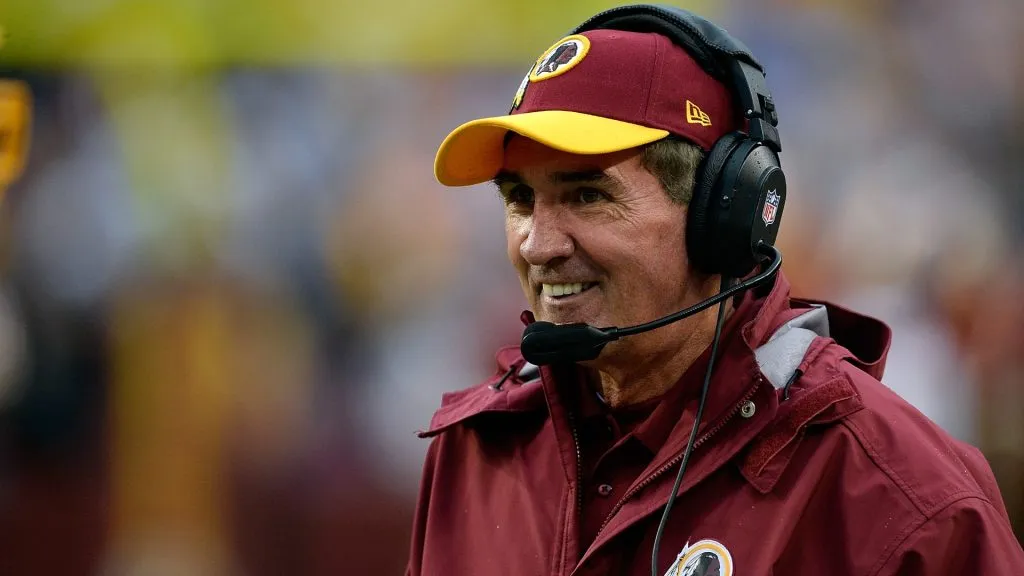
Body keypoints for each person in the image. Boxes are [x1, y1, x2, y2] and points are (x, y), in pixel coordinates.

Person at [406, 5, 1024, 576]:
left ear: (723, 216)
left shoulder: (900, 496)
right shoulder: (470, 455)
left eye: (587, 195)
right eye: (520, 199)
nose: (539, 245)